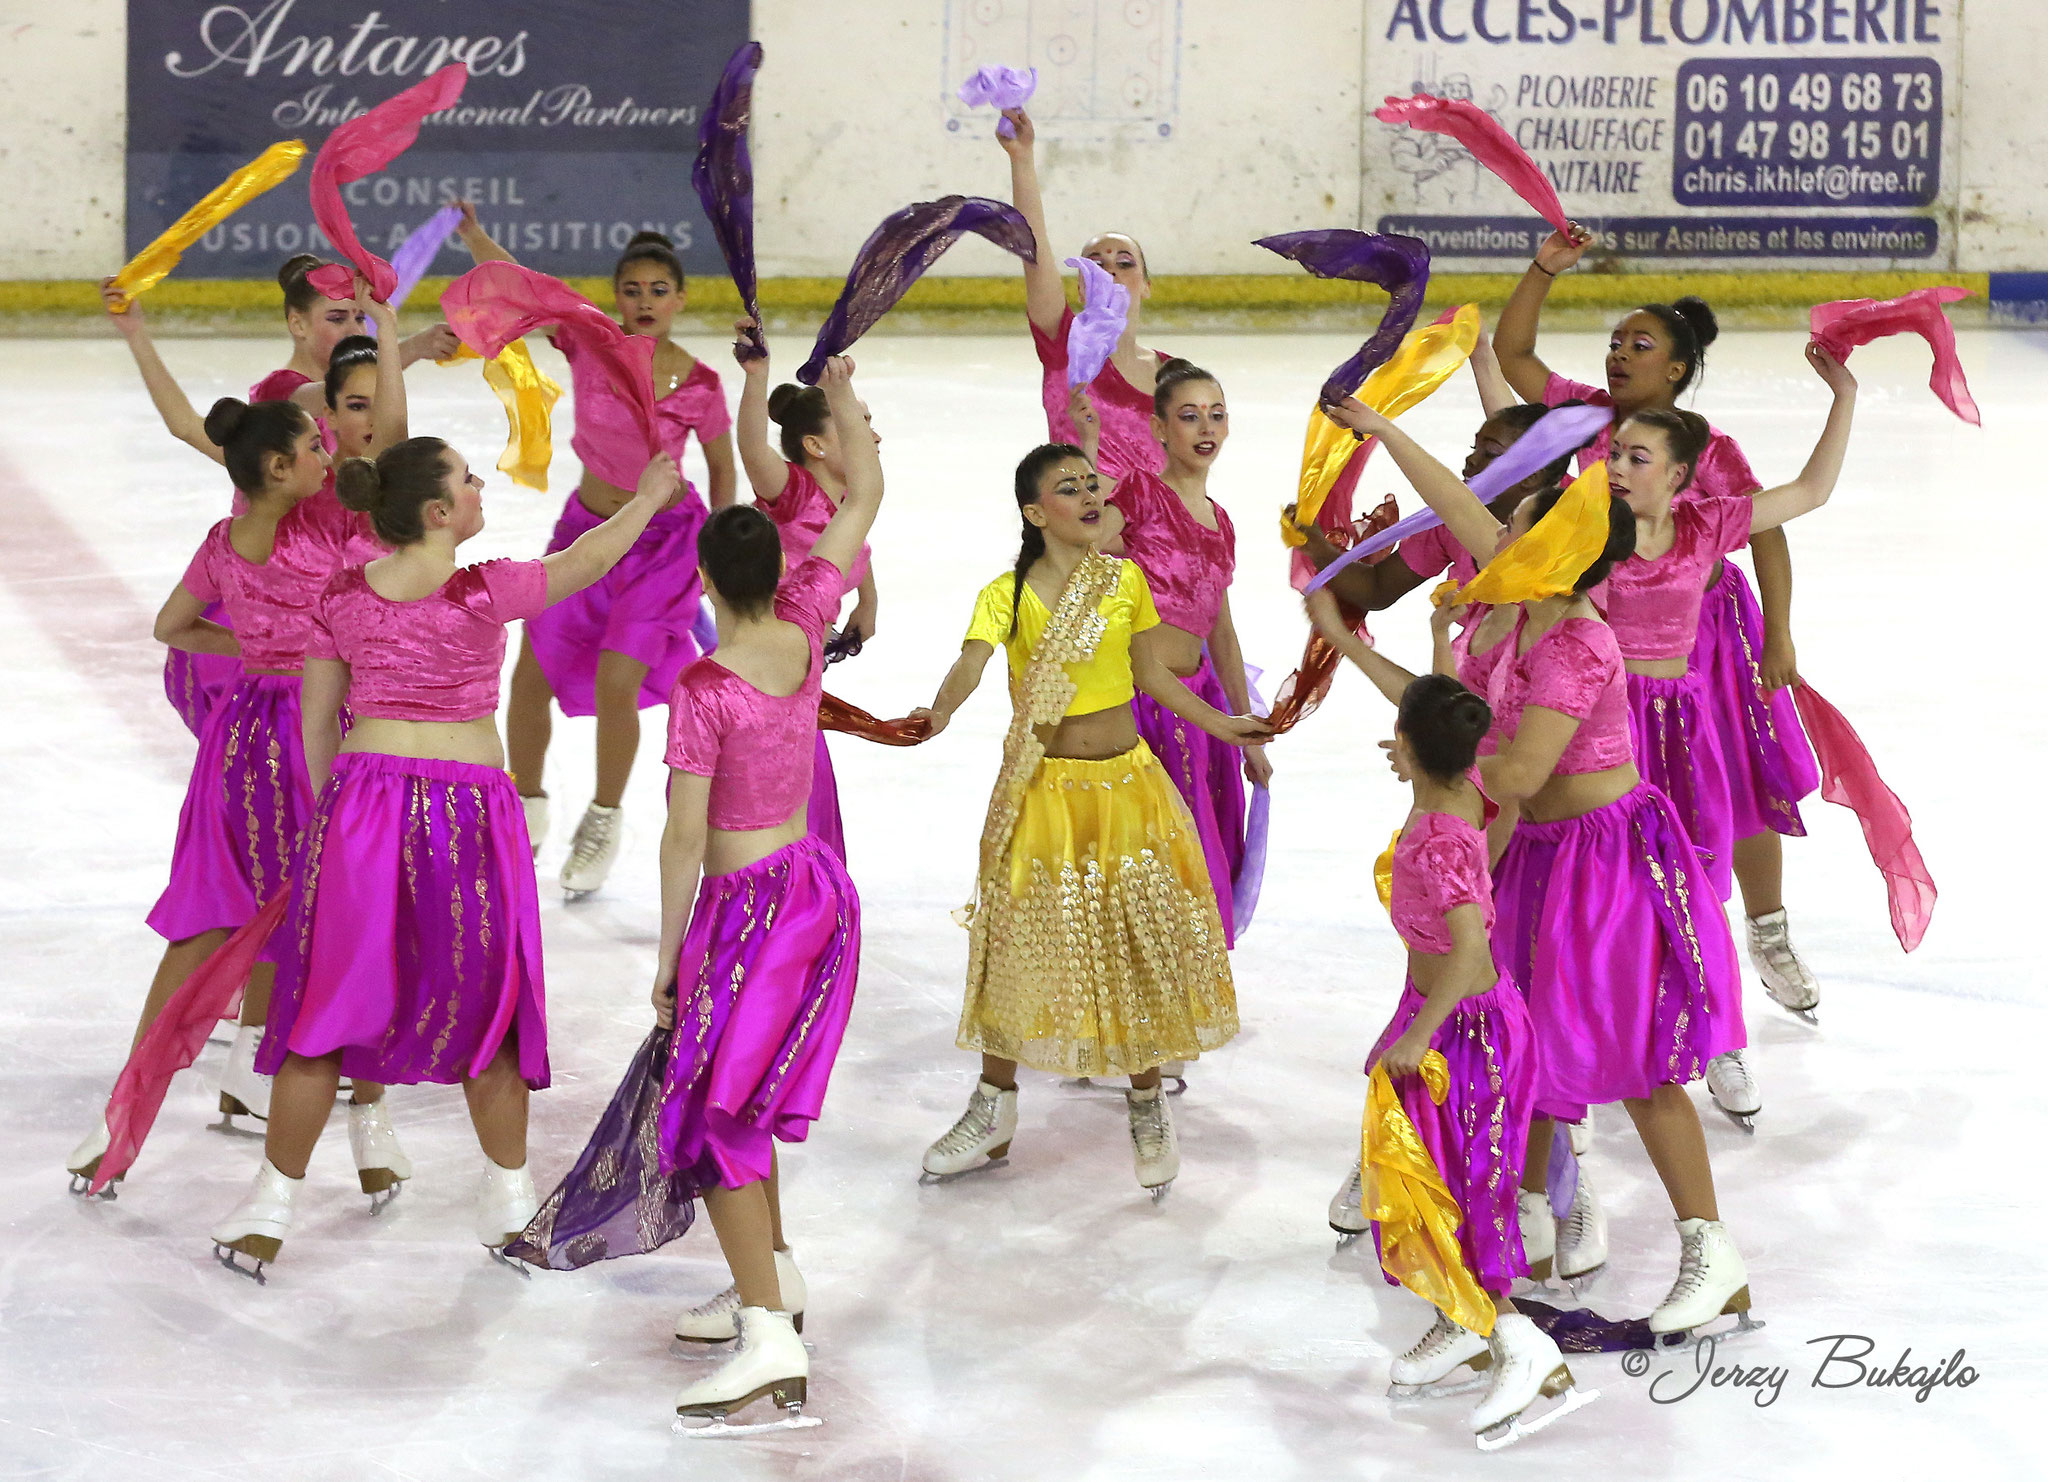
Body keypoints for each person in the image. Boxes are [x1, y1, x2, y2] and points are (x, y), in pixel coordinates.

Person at [1323, 396, 1758, 1343]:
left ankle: (1711, 1252)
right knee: (1526, 1040)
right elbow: (1458, 501)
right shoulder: (1516, 597)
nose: (1500, 523)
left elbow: (1518, 769)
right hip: (1536, 855)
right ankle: (1521, 1217)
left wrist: (1434, 753)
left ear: (1553, 549)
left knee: (1640, 1062)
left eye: (1521, 520)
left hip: (1609, 865)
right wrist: (1385, 431)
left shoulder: (1576, 640)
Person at [208, 436, 683, 1275]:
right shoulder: (487, 588)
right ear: (438, 513)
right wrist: (647, 498)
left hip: (361, 811)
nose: (480, 483)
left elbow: (320, 724)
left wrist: (338, 820)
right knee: (488, 1007)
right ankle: (506, 1198)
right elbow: (591, 557)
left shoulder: (342, 595)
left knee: (323, 1010)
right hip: (466, 816)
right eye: (467, 478)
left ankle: (269, 1205)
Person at [64, 385, 406, 1191]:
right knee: (351, 920)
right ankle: (371, 1123)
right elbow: (387, 462)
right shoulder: (328, 523)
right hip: (318, 730)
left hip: (240, 737)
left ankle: (117, 1119)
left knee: (207, 921)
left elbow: (171, 626)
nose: (332, 456)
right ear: (283, 467)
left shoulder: (224, 540)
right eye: (317, 449)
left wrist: (249, 640)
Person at [1495, 227, 1828, 1044]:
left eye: (1637, 345)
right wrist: (1543, 270)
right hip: (1612, 636)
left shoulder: (1707, 449)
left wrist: (1778, 631)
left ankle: (1767, 929)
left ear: (1674, 369)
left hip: (1706, 636)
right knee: (1629, 796)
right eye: (1614, 342)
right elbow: (1512, 352)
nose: (1619, 354)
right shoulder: (1587, 421)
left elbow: (1768, 530)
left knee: (1737, 786)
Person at [908, 444, 1269, 1196]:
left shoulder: (1122, 579)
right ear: (1037, 514)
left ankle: (1145, 1104)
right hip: (1044, 797)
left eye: (1091, 482)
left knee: (1134, 947)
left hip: (1129, 791)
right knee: (1015, 950)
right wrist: (937, 713)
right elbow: (972, 664)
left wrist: (1225, 723)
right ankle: (993, 1107)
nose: (1089, 494)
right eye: (1067, 488)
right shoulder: (1005, 594)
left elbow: (1150, 673)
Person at [649, 355, 881, 1429]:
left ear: (704, 582)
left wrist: (667, 960)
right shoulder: (801, 628)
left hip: (749, 910)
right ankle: (771, 1277)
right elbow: (864, 494)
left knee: (713, 1112)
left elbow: (684, 837)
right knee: (734, 1097)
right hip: (815, 891)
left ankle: (766, 1337)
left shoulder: (703, 686)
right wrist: (836, 391)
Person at [1305, 591, 1589, 1448]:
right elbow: (1443, 705)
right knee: (1430, 1172)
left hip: (1464, 1029)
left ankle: (1516, 1343)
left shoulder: (1437, 836)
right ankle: (1468, 1321)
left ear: (1410, 747)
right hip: (1455, 1017)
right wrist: (1432, 643)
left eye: (1399, 730)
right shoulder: (1473, 792)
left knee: (1463, 1183)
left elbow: (1469, 950)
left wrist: (1420, 1034)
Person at [457, 207, 738, 898]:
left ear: (679, 299)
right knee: (529, 676)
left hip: (667, 545)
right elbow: (525, 288)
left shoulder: (700, 384)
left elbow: (724, 471)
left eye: (658, 290)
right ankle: (526, 805)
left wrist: (720, 559)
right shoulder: (589, 343)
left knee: (618, 679)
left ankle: (604, 819)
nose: (644, 302)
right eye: (633, 290)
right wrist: (472, 238)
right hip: (587, 533)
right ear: (617, 296)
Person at [103, 265, 454, 735]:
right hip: (277, 624)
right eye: (338, 318)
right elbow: (357, 405)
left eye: (358, 320)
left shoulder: (344, 477)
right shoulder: (280, 403)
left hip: (330, 643)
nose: (352, 329)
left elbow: (190, 426)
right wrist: (398, 341)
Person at [1073, 357, 1269, 951]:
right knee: (1142, 855)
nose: (1205, 428)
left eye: (1216, 415)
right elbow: (1078, 547)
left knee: (1194, 855)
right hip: (1138, 707)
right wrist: (1085, 450)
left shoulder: (1223, 522)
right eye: (1188, 417)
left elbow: (1223, 633)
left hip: (1201, 704)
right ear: (1159, 429)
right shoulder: (1139, 494)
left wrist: (1246, 728)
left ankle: (1177, 986)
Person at [730, 318, 881, 859]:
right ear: (814, 445)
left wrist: (866, 598)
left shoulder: (846, 503)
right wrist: (757, 376)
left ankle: (807, 895)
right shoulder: (791, 492)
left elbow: (852, 548)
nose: (874, 436)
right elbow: (751, 448)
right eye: (858, 425)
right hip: (760, 678)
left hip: (799, 677)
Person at [998, 107, 1174, 484]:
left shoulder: (1173, 374)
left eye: (1125, 263)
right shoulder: (1063, 345)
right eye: (1095, 263)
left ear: (1145, 284)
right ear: (1080, 287)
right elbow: (1034, 250)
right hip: (1082, 531)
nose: (1110, 269)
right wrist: (1022, 158)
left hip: (1153, 536)